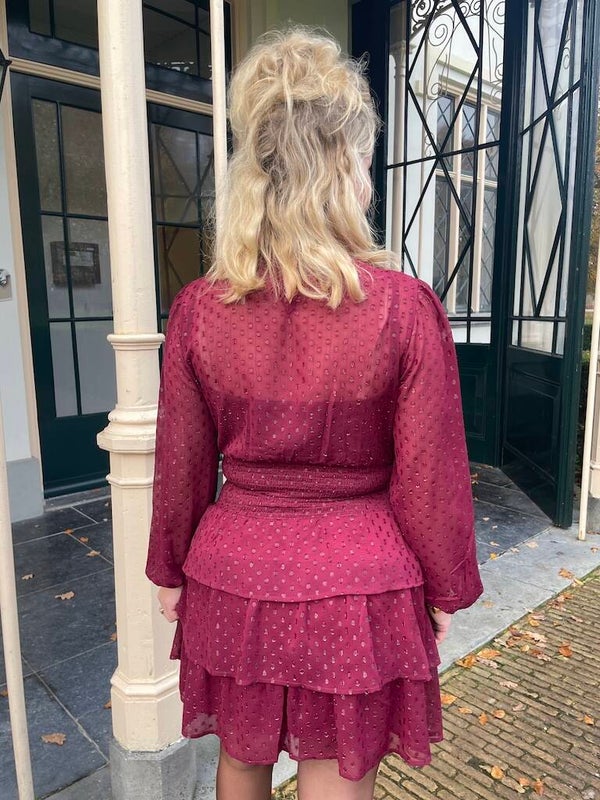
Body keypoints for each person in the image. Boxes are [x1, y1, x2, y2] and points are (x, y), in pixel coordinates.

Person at [145, 28, 483, 800]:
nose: (368, 178)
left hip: (234, 574)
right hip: (359, 588)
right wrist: (443, 586)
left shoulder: (200, 310)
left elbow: (182, 461)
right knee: (337, 767)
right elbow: (430, 474)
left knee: (240, 759)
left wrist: (170, 568)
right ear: (341, 167)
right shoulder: (403, 309)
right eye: (364, 160)